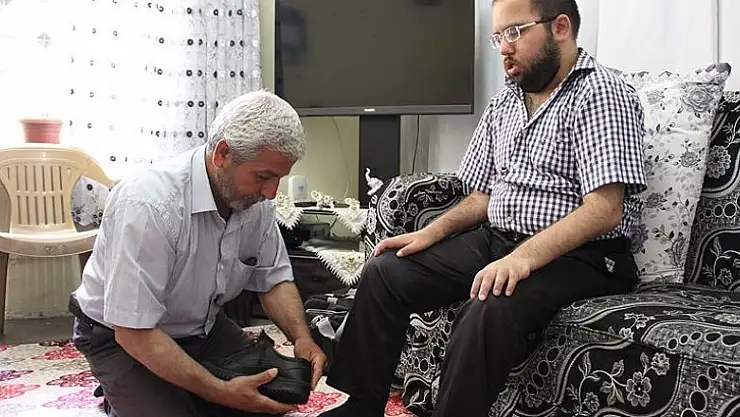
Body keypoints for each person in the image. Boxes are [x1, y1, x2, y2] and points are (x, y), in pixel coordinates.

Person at [318, 0, 648, 416]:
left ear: (561, 27)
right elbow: (481, 196)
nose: (504, 47)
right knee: (385, 271)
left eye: (514, 32)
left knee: (489, 307)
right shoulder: (506, 100)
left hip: (581, 257)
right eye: (498, 37)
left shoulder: (602, 93)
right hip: (498, 240)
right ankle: (360, 407)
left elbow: (604, 209)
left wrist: (522, 259)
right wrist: (430, 234)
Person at [69, 90, 327, 417]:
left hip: (202, 328)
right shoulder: (149, 203)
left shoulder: (256, 203)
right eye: (263, 177)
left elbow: (273, 280)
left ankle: (157, 386)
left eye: (279, 178)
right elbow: (133, 331)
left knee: (274, 400)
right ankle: (125, 385)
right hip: (121, 336)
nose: (271, 192)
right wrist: (221, 393)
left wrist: (302, 338)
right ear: (222, 154)